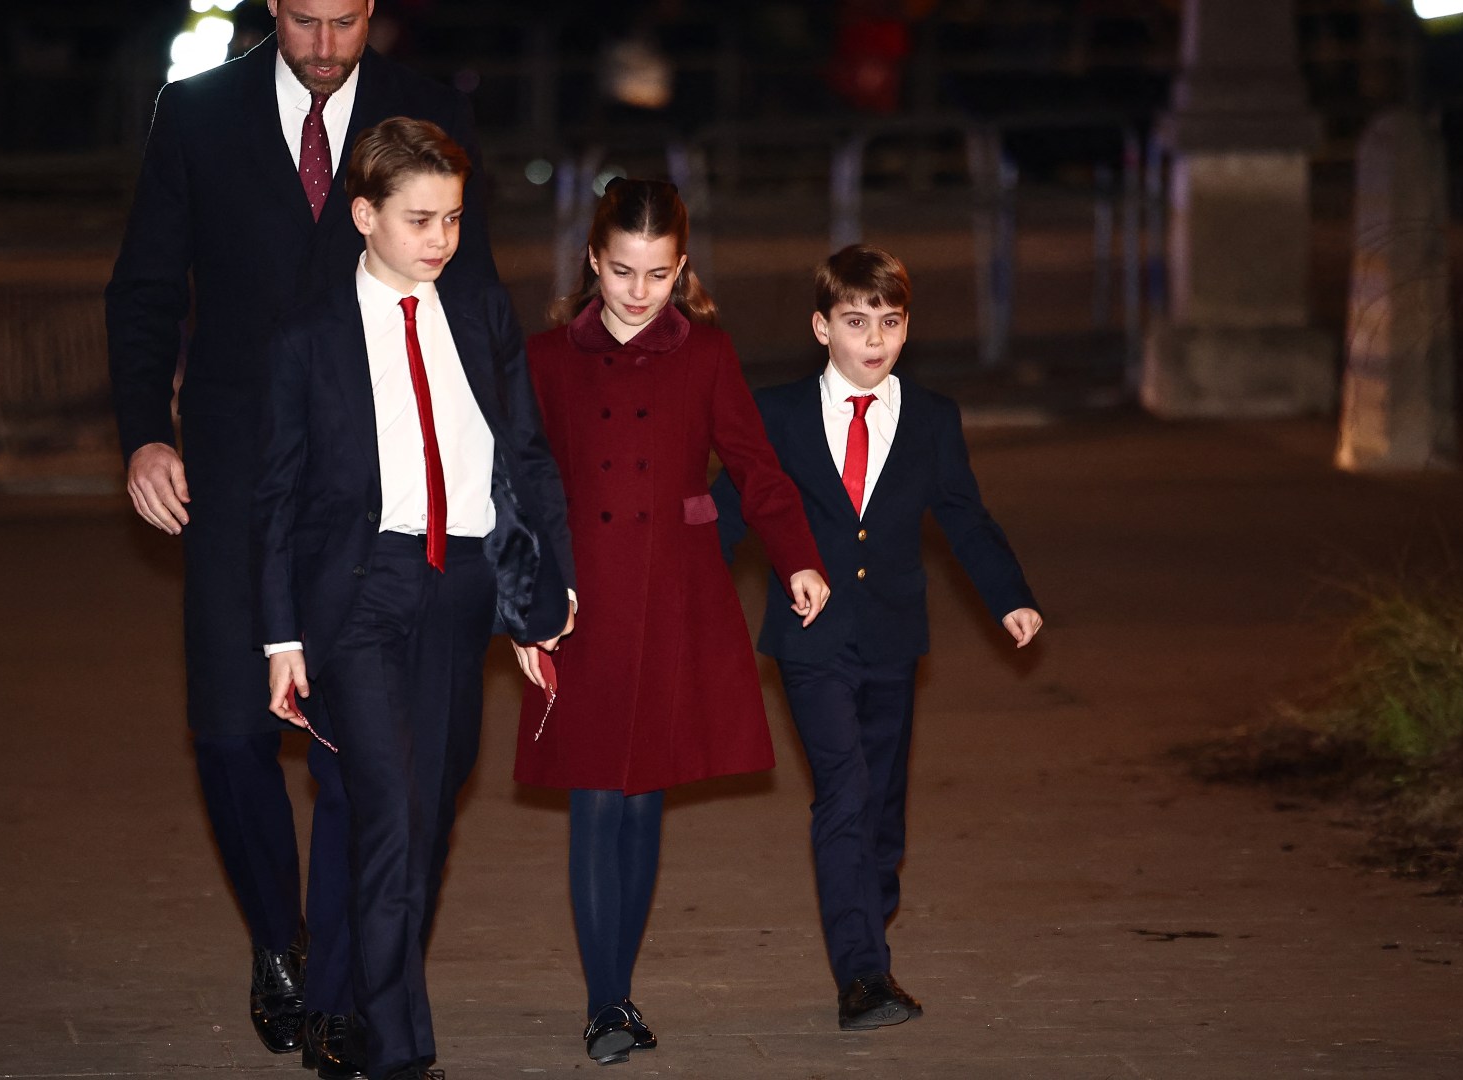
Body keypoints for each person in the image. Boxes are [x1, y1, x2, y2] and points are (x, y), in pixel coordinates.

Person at [103, 1, 497, 1072]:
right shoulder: (195, 114)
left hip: (379, 482)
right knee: (229, 725)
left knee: (356, 750)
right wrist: (145, 435)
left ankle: (340, 991)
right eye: (308, 20)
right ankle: (281, 940)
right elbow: (144, 288)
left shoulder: (424, 110)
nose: (327, 45)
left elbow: (473, 294)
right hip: (233, 469)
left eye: (349, 20)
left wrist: (505, 474)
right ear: (274, 5)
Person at [257, 116, 575, 1080]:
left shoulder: (478, 310)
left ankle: (349, 1007)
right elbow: (276, 496)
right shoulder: (310, 338)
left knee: (428, 818)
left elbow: (521, 459)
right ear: (365, 215)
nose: (440, 238)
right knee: (390, 815)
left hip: (463, 588)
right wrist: (281, 639)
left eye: (453, 219)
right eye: (419, 219)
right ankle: (397, 1053)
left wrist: (539, 595)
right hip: (361, 596)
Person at [510, 179, 831, 1066]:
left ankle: (618, 989)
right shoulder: (544, 359)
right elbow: (516, 488)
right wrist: (523, 601)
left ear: (682, 268)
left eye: (657, 273)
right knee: (592, 797)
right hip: (579, 602)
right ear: (592, 261)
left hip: (673, 596)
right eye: (621, 271)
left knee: (643, 796)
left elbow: (757, 469)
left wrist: (799, 555)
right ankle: (604, 1000)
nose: (638, 291)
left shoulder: (709, 355)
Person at [713, 244, 1042, 1030]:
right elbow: (733, 512)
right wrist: (665, 593)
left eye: (889, 323)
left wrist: (1010, 598)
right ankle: (862, 976)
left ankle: (868, 909)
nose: (874, 339)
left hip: (895, 636)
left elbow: (964, 516)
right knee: (845, 794)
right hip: (811, 639)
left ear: (906, 328)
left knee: (882, 810)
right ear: (822, 327)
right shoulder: (780, 413)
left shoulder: (932, 418)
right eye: (856, 322)